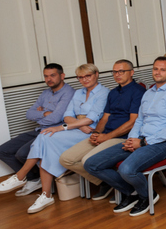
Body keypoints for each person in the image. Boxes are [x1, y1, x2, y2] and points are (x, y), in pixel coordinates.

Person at [84, 56, 166, 216]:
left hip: (163, 143)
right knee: (92, 164)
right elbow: (139, 120)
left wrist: (144, 142)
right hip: (139, 139)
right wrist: (131, 139)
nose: (158, 72)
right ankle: (132, 192)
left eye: (162, 69)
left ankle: (147, 195)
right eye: (155, 69)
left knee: (126, 169)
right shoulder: (148, 93)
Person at [14, 64, 109, 214]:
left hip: (91, 132)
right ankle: (44, 194)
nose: (84, 80)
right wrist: (79, 125)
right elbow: (66, 116)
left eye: (88, 76)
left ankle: (22, 177)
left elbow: (90, 119)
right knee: (45, 136)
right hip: (77, 130)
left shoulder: (104, 93)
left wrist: (65, 126)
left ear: (96, 74)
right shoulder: (78, 93)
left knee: (45, 137)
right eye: (80, 77)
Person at [60, 60, 144, 201]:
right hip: (106, 134)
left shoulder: (139, 92)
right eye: (114, 72)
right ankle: (108, 181)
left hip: (123, 137)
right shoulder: (113, 92)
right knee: (66, 159)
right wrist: (96, 133)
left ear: (131, 72)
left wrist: (106, 137)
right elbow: (105, 117)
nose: (117, 74)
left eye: (121, 71)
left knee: (88, 161)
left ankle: (128, 189)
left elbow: (132, 122)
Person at [0, 63, 74, 197]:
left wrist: (41, 115)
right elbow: (29, 114)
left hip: (53, 132)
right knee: (1, 151)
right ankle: (34, 179)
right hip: (39, 130)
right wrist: (45, 113)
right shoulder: (45, 93)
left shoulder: (69, 93)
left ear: (62, 76)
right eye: (46, 76)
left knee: (22, 154)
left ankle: (32, 179)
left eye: (52, 75)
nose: (49, 79)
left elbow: (55, 119)